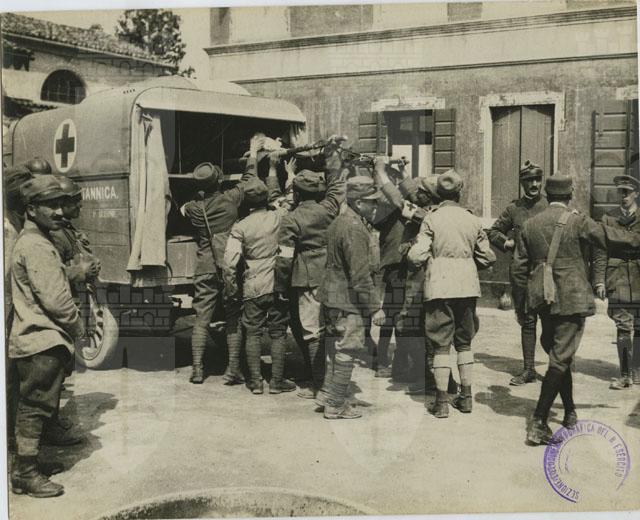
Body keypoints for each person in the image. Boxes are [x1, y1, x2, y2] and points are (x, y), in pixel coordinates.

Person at [513, 175, 640, 445]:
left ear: (547, 194)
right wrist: (634, 239)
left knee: (560, 356)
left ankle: (569, 411)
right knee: (560, 359)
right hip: (570, 298)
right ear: (570, 194)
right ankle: (538, 421)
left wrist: (521, 306)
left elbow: (518, 270)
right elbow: (609, 236)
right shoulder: (577, 220)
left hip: (542, 298)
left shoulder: (529, 224)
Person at [9, 175, 86, 497]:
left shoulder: (34, 241)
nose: (59, 212)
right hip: (41, 339)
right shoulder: (36, 246)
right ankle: (25, 472)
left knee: (37, 405)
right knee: (35, 408)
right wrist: (78, 326)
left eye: (60, 204)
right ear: (30, 209)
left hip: (39, 338)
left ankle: (30, 464)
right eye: (50, 206)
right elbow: (56, 301)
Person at [407, 170, 496, 418]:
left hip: (439, 285)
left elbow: (417, 255)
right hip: (467, 285)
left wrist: (420, 257)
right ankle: (466, 398)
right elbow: (488, 257)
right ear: (459, 192)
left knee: (440, 345)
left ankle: (441, 402)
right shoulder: (472, 219)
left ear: (439, 193)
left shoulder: (432, 219)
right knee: (464, 342)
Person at [180, 134, 263, 384]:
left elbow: (182, 209)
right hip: (229, 266)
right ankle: (232, 369)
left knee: (201, 318)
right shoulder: (231, 198)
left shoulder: (194, 208)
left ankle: (197, 370)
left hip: (205, 266)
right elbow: (249, 180)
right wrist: (253, 153)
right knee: (233, 317)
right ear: (219, 180)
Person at [223, 153, 296, 395]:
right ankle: (277, 381)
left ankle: (255, 382)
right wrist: (288, 175)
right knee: (277, 332)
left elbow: (229, 263)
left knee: (252, 333)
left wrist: (232, 289)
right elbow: (290, 200)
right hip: (276, 283)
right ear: (266, 199)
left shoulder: (240, 227)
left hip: (252, 285)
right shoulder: (279, 217)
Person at [315, 176, 386, 419]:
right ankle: (336, 404)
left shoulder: (339, 222)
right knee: (348, 349)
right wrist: (375, 307)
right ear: (357, 202)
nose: (376, 206)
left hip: (332, 296)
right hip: (348, 300)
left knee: (335, 348)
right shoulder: (355, 228)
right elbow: (360, 275)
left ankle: (327, 393)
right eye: (371, 201)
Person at [275, 161, 345, 399]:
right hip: (332, 273)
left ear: (296, 194)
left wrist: (280, 285)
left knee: (312, 331)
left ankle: (320, 386)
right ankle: (333, 381)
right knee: (332, 329)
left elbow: (285, 258)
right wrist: (333, 162)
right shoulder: (329, 209)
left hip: (306, 278)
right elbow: (336, 191)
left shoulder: (291, 219)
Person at [488, 161, 548, 386]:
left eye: (537, 180)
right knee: (528, 322)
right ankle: (529, 369)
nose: (534, 184)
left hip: (546, 273)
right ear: (522, 183)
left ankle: (557, 368)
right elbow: (494, 231)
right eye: (529, 180)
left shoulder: (550, 205)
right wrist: (508, 243)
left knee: (550, 322)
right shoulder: (514, 209)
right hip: (522, 273)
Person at [592, 174, 640, 389]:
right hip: (617, 276)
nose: (623, 196)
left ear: (636, 194)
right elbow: (600, 251)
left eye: (627, 192)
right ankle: (625, 374)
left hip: (639, 276)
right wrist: (599, 281)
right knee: (623, 325)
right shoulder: (608, 218)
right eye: (620, 192)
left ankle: (637, 371)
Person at [4, 165, 34, 465]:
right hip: (7, 313)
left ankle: (15, 444)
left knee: (15, 380)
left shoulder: (16, 223)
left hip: (13, 312)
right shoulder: (7, 229)